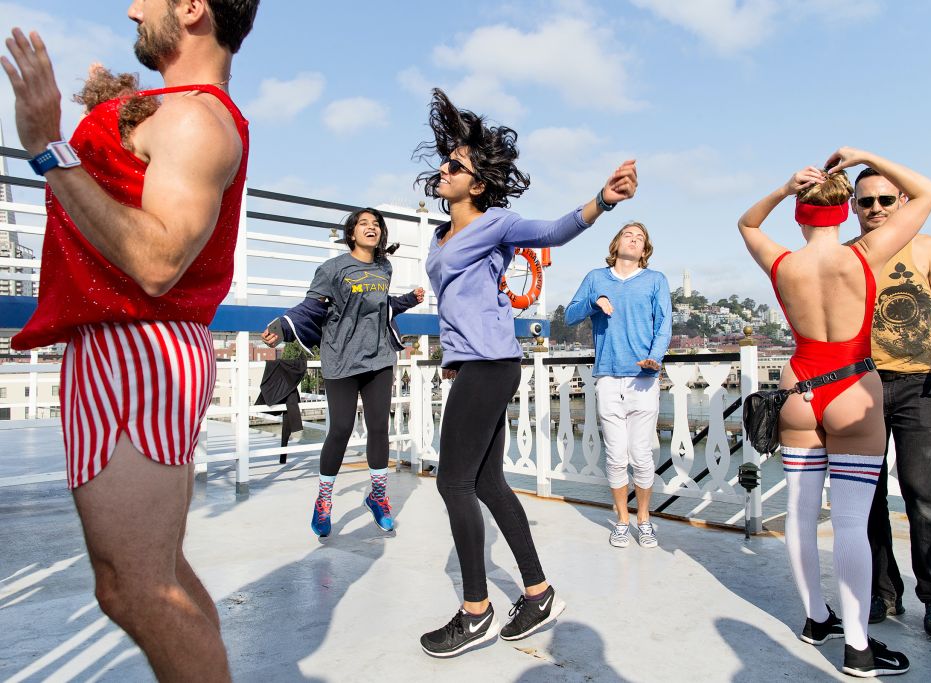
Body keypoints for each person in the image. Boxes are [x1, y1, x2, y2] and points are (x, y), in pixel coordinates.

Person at [1, 1, 259, 680]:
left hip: (135, 349)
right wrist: (110, 109)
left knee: (132, 585)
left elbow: (158, 259)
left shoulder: (197, 119)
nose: (132, 8)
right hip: (121, 348)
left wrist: (47, 149)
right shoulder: (171, 110)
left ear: (193, 8)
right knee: (157, 571)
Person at [415, 88, 638, 657]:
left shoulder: (495, 224)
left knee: (452, 482)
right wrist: (452, 362)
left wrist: (602, 201)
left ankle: (476, 612)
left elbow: (554, 231)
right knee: (486, 482)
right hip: (474, 364)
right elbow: (458, 305)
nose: (443, 170)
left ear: (478, 184)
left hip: (492, 363)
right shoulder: (441, 237)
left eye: (455, 166)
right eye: (445, 162)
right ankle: (537, 594)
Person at [737, 148, 931, 678]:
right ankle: (857, 649)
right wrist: (865, 156)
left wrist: (784, 188)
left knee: (802, 515)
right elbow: (927, 192)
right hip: (851, 384)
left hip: (799, 387)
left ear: (801, 215)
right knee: (849, 522)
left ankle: (813, 619)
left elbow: (746, 221)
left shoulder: (783, 263)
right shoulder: (866, 252)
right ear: (846, 209)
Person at [851, 168, 931, 640]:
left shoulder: (928, 247)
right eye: (866, 202)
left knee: (925, 497)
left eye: (885, 198)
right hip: (862, 386)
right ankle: (884, 591)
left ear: (902, 199)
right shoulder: (848, 256)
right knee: (867, 497)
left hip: (921, 382)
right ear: (854, 208)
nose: (876, 208)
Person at [261, 208, 424, 536]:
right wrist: (282, 325)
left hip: (378, 357)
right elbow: (311, 308)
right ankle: (323, 502)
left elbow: (381, 305)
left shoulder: (383, 267)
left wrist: (407, 300)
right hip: (342, 360)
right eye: (364, 223)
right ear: (352, 233)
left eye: (376, 224)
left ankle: (378, 497)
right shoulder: (332, 269)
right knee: (340, 430)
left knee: (379, 427)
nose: (371, 227)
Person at [565, 221, 671, 548]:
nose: (635, 240)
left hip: (644, 379)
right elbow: (570, 315)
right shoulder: (596, 279)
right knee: (614, 455)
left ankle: (645, 520)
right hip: (608, 377)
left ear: (645, 249)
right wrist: (593, 302)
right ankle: (623, 520)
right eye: (629, 234)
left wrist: (655, 358)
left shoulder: (656, 280)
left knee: (641, 454)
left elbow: (664, 325)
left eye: (641, 237)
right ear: (617, 243)